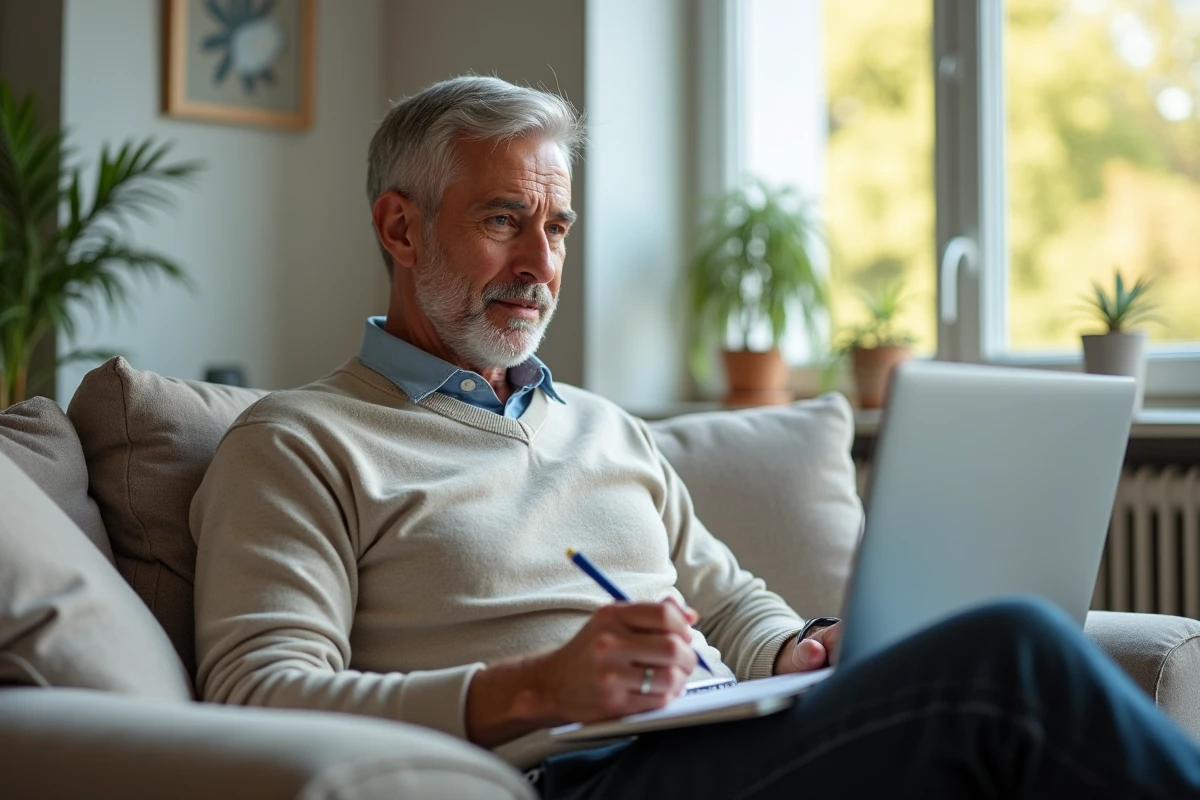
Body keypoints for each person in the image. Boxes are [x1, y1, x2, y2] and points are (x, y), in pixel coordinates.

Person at [190, 75, 1200, 798]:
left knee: (1004, 657)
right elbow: (256, 692)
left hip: (721, 736)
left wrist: (800, 645)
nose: (540, 262)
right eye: (505, 219)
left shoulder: (606, 428)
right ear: (400, 229)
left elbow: (727, 600)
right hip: (578, 772)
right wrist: (534, 687)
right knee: (1008, 654)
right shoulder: (298, 440)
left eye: (558, 227)